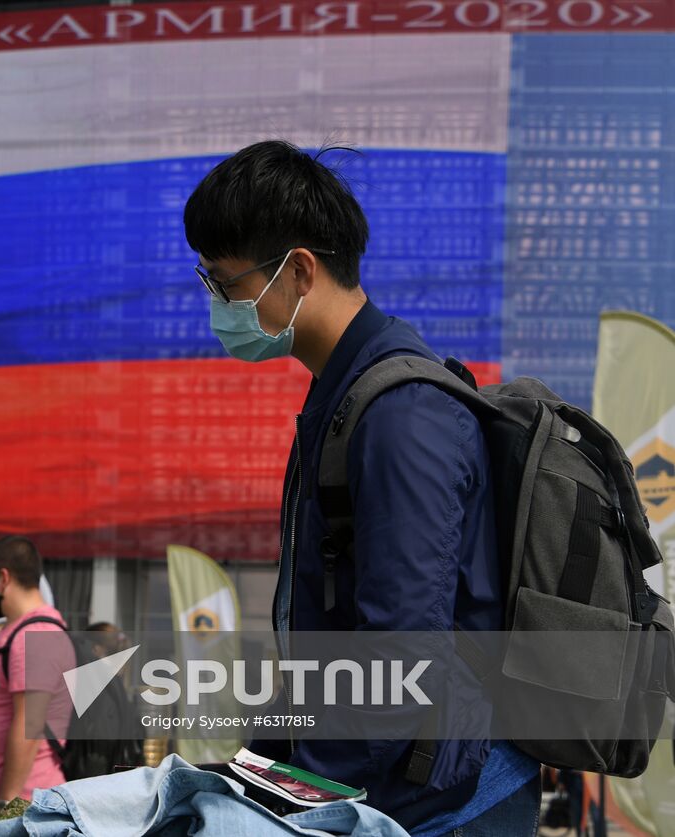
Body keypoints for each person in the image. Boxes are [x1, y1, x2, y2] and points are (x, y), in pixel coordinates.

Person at [181, 140, 540, 835]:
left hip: (444, 804)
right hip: (392, 784)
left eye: (226, 282)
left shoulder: (403, 412)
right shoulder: (345, 396)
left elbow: (400, 653)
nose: (221, 304)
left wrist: (300, 798)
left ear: (300, 270)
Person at [0, 537, 74, 821]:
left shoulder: (37, 636)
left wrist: (6, 804)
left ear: (3, 579)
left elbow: (29, 724)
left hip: (22, 802)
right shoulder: (18, 632)